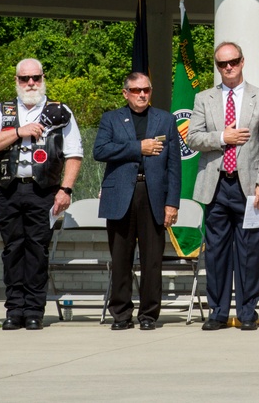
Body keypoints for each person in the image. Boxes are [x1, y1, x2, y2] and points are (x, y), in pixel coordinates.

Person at [0, 58, 82, 331]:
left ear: (43, 77)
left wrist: (66, 189)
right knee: (12, 250)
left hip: (44, 191)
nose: (31, 83)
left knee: (37, 250)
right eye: (25, 79)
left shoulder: (60, 111)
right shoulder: (3, 111)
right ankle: (14, 310)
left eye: (35, 77)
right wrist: (18, 132)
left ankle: (34, 310)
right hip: (10, 190)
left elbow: (74, 154)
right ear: (16, 81)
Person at [186, 41, 259, 331]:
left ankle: (247, 312)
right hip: (216, 185)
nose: (228, 68)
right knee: (216, 252)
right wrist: (223, 137)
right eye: (222, 64)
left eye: (233, 62)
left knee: (250, 251)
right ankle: (218, 312)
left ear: (242, 61)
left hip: (250, 187)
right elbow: (193, 139)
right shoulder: (204, 99)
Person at [93, 72, 180, 331]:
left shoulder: (165, 119)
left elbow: (174, 165)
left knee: (152, 259)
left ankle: (149, 315)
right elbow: (100, 151)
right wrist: (137, 147)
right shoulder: (111, 119)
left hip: (153, 194)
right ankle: (121, 314)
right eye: (136, 90)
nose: (142, 94)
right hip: (120, 194)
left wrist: (172, 203)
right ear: (125, 93)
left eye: (146, 90)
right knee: (121, 257)